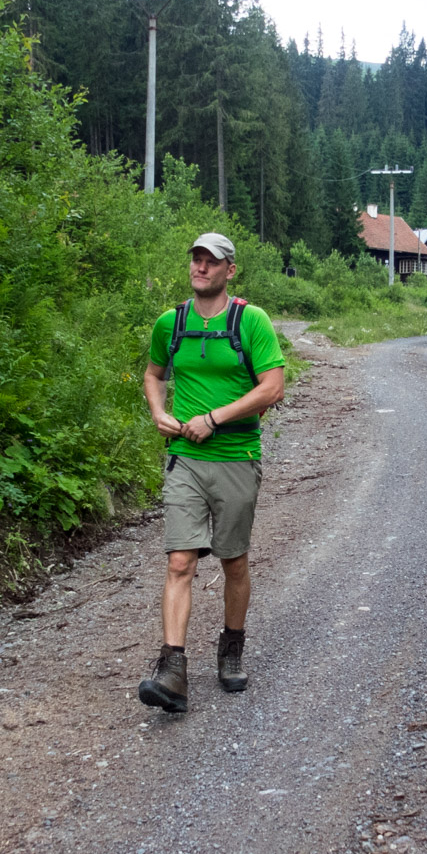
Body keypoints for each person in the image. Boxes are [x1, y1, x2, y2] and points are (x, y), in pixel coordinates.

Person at [136, 232, 286, 713]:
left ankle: (231, 647)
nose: (200, 267)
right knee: (180, 561)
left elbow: (273, 388)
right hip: (183, 457)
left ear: (230, 270)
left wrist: (216, 418)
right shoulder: (170, 323)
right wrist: (159, 410)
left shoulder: (251, 321)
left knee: (233, 561)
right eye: (196, 259)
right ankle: (172, 669)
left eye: (211, 261)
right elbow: (154, 374)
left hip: (236, 456)